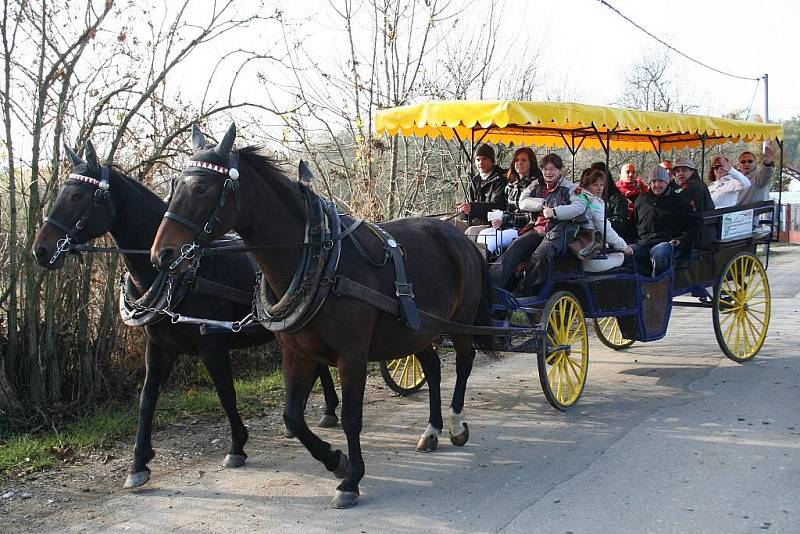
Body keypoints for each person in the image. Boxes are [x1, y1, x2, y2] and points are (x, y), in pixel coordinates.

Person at [489, 153, 586, 294]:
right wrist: (540, 204)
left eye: (552, 169)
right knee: (516, 245)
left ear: (561, 170)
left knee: (540, 255)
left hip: (560, 231)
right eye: (545, 169)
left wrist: (555, 212)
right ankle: (491, 286)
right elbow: (523, 201)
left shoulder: (570, 188)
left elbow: (580, 207)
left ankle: (525, 290)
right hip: (539, 228)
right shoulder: (537, 185)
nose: (548, 173)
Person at [631, 166, 701, 278]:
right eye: (653, 181)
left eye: (660, 181)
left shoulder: (678, 200)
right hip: (643, 244)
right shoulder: (642, 199)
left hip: (666, 243)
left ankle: (658, 287)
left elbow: (695, 223)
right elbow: (634, 223)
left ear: (666, 182)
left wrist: (682, 240)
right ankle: (642, 283)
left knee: (659, 253)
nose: (656, 185)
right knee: (625, 254)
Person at [477, 147, 541, 254]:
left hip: (525, 230)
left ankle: (491, 268)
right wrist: (499, 219)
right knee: (481, 235)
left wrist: (504, 217)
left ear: (531, 163)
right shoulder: (511, 185)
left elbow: (532, 217)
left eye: (524, 160)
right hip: (508, 227)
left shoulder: (536, 186)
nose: (519, 163)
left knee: (491, 241)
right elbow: (506, 210)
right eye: (516, 160)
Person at [574, 168, 633, 272]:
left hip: (580, 252)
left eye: (601, 185)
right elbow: (605, 230)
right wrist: (624, 247)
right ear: (586, 186)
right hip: (592, 259)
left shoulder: (577, 199)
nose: (600, 188)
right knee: (623, 256)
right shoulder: (594, 203)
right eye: (595, 185)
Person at [457, 144, 507, 236]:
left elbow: (497, 205)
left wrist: (472, 207)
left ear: (492, 160)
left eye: (484, 159)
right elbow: (469, 203)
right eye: (478, 159)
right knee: (444, 224)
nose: (480, 162)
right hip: (471, 222)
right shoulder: (475, 180)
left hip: (490, 224)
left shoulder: (500, 180)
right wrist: (462, 211)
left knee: (471, 232)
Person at [591, 161, 635, 242]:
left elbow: (621, 222)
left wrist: (600, 221)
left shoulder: (617, 198)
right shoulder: (586, 196)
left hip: (611, 238)